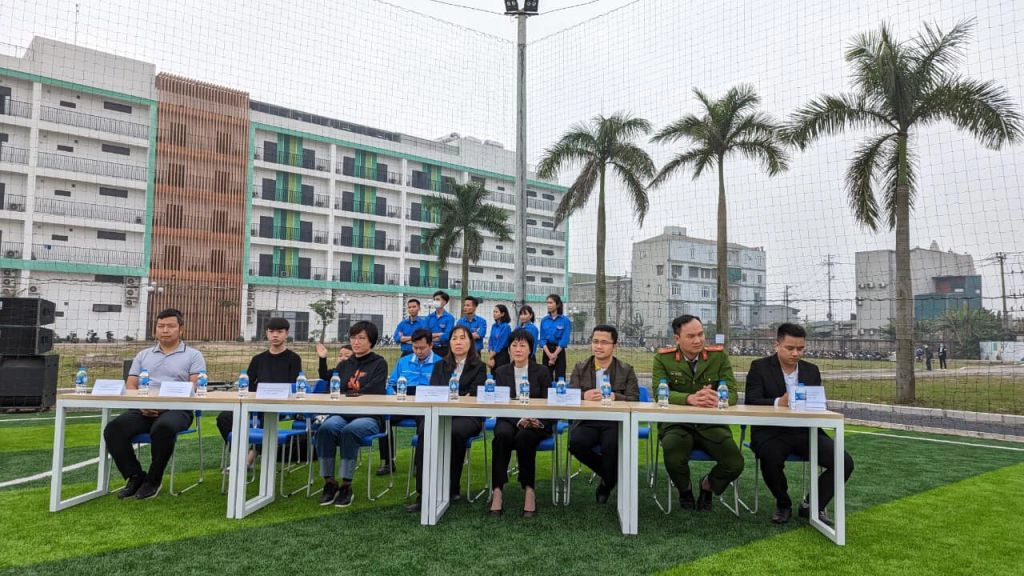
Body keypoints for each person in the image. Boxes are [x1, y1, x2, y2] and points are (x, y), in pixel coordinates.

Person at [745, 323, 855, 525]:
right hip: (771, 431)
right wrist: (779, 402)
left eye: (800, 348)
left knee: (844, 462)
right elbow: (752, 400)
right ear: (777, 345)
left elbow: (817, 402)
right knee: (770, 457)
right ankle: (783, 504)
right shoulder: (759, 367)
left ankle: (812, 505)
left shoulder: (811, 370)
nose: (796, 353)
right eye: (790, 348)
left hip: (806, 431)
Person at [103, 309, 206, 500]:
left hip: (177, 409)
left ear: (181, 329)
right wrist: (142, 405)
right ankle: (135, 476)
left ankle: (153, 480)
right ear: (155, 329)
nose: (165, 330)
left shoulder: (194, 355)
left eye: (170, 326)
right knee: (113, 429)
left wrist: (163, 406)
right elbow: (131, 384)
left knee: (163, 428)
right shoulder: (143, 355)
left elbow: (195, 386)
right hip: (143, 409)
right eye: (161, 326)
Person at [652, 314, 744, 511]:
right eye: (691, 336)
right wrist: (689, 399)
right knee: (673, 456)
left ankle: (707, 485)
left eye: (701, 334)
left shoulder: (718, 356)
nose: (698, 340)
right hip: (677, 424)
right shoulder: (663, 358)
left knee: (735, 463)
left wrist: (717, 397)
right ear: (677, 339)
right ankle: (685, 489)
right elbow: (658, 393)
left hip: (711, 424)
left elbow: (732, 393)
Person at [406, 325, 485, 513]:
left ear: (470, 342)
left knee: (454, 432)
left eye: (462, 338)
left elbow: (475, 394)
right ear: (449, 343)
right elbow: (435, 391)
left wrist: (457, 397)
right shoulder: (440, 365)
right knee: (426, 430)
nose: (458, 342)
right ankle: (423, 493)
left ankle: (451, 486)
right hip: (441, 413)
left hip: (467, 415)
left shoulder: (479, 367)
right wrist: (458, 395)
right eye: (454, 338)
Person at [314, 321, 389, 508]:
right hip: (344, 413)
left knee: (350, 431)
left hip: (369, 415)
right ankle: (329, 482)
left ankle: (346, 485)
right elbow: (333, 384)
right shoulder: (345, 364)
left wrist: (348, 393)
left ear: (371, 341)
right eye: (353, 338)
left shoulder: (379, 363)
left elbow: (375, 390)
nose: (356, 342)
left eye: (361, 338)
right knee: (326, 429)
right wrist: (323, 359)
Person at [215, 317, 302, 467]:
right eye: (271, 331)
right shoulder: (258, 359)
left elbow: (293, 385)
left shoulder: (293, 358)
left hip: (280, 404)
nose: (275, 335)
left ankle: (248, 458)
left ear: (286, 334)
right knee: (224, 418)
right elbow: (248, 384)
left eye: (279, 332)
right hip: (256, 403)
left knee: (266, 419)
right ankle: (238, 454)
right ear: (266, 333)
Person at [568, 324, 639, 503]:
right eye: (595, 341)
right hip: (588, 420)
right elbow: (568, 395)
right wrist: (584, 396)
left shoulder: (626, 369)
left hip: (615, 421)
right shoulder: (580, 367)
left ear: (615, 346)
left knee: (611, 445)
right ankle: (611, 476)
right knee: (576, 443)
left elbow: (635, 398)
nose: (598, 346)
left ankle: (606, 485)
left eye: (604, 342)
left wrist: (616, 397)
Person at [489, 329, 553, 517]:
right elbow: (500, 404)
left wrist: (536, 421)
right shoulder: (501, 372)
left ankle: (529, 489)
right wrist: (518, 420)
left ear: (530, 349)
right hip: (510, 418)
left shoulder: (542, 371)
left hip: (536, 420)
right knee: (501, 436)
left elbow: (550, 402)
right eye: (514, 345)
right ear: (509, 349)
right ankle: (497, 490)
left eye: (523, 345)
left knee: (525, 437)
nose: (518, 349)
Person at [375, 328, 440, 475]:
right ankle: (388, 461)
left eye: (422, 348)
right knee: (383, 419)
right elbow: (391, 384)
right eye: (415, 348)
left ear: (431, 345)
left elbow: (445, 388)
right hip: (403, 404)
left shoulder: (440, 363)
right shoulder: (403, 361)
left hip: (426, 407)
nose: (418, 351)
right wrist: (393, 393)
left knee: (426, 424)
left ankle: (419, 463)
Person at [538, 294, 571, 380]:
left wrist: (555, 354)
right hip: (547, 351)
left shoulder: (565, 320)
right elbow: (542, 339)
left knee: (560, 377)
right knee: (546, 378)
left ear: (558, 304)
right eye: (547, 303)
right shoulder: (544, 320)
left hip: (559, 350)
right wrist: (549, 355)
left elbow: (565, 339)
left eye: (551, 303)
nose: (548, 305)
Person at [428, 290, 455, 358]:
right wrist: (439, 334)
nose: (435, 301)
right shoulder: (429, 317)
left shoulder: (450, 318)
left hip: (444, 349)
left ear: (444, 302)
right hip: (430, 349)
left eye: (437, 299)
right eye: (434, 299)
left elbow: (447, 336)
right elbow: (425, 334)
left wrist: (431, 337)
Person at [487, 304, 513, 371]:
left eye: (496, 312)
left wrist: (490, 357)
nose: (494, 313)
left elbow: (500, 343)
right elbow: (491, 340)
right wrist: (491, 354)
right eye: (494, 311)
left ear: (502, 314)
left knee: (501, 374)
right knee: (493, 374)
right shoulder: (493, 326)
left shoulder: (506, 327)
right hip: (493, 354)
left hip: (502, 354)